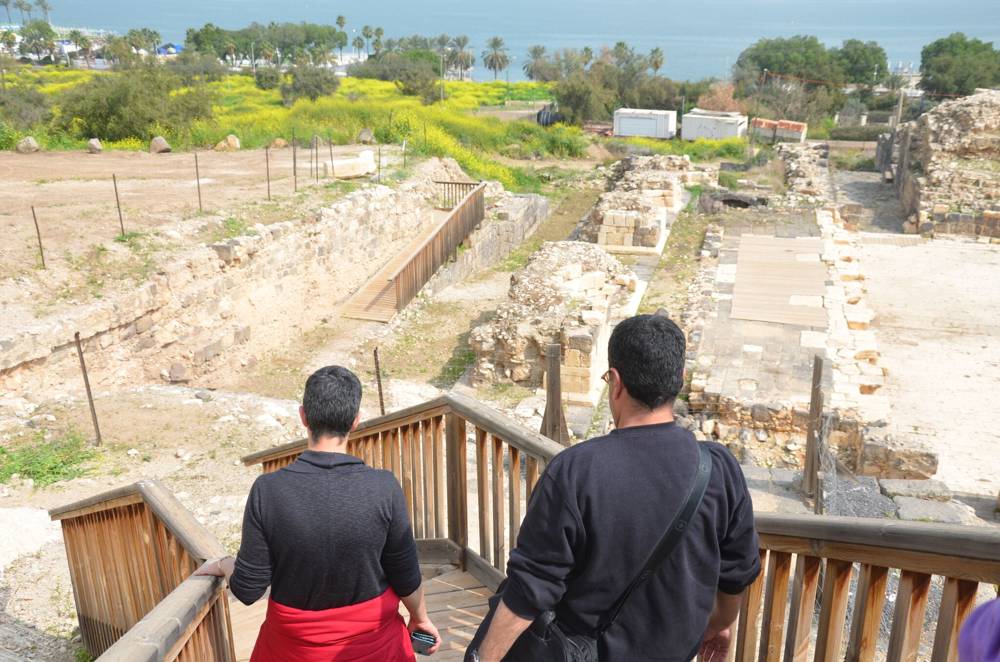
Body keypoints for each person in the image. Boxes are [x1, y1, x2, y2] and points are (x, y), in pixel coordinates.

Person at [468, 315, 761, 661]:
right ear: (679, 381)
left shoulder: (576, 471)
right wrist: (719, 624)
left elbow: (530, 589)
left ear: (616, 382)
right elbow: (737, 573)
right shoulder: (719, 468)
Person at [196, 365, 440, 661]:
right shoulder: (383, 487)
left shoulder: (268, 490)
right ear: (355, 421)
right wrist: (421, 618)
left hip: (293, 650)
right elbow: (404, 572)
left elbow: (248, 590)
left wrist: (224, 564)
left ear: (303, 417)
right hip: (375, 649)